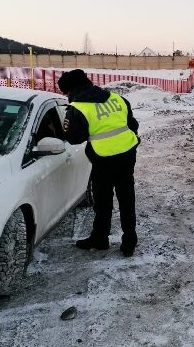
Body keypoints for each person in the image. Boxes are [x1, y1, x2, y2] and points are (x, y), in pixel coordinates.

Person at [58, 69, 140, 257]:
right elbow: (132, 125)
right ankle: (129, 241)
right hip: (127, 154)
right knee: (127, 198)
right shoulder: (117, 98)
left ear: (70, 90)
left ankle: (100, 238)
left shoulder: (78, 108)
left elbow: (74, 138)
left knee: (103, 201)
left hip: (103, 159)